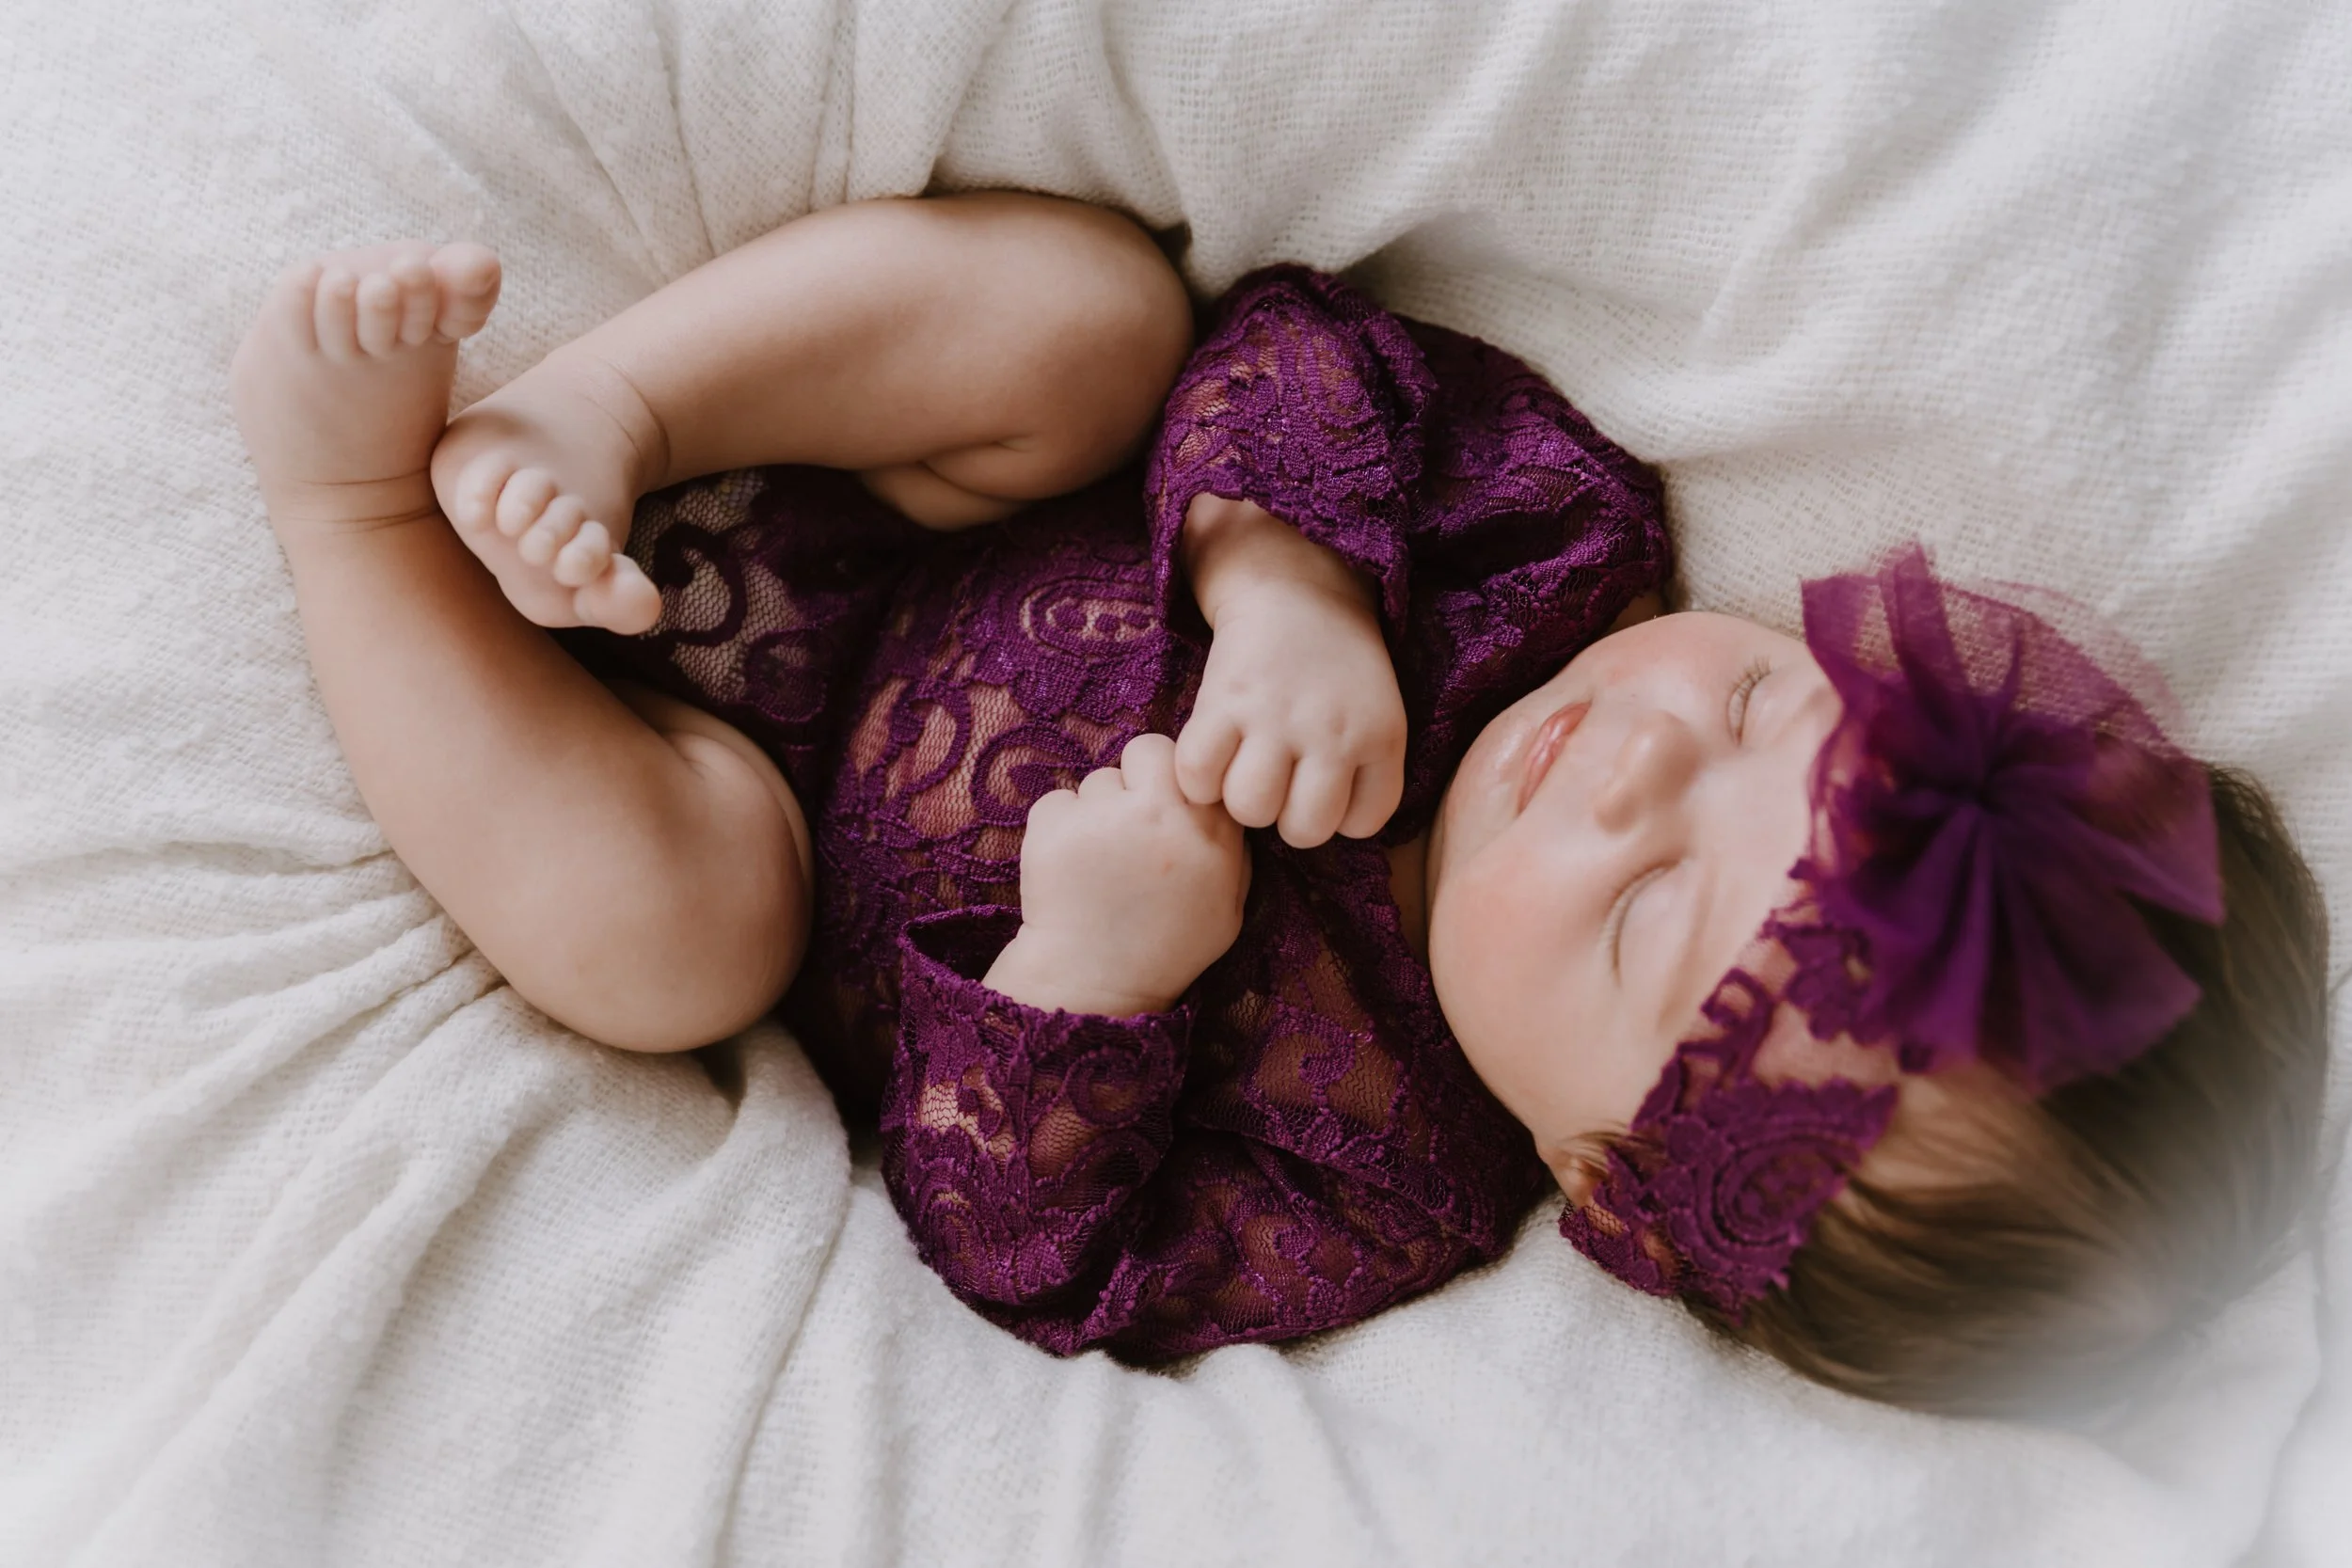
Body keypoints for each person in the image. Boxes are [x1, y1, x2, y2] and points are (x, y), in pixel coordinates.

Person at [229, 193, 2327, 1418]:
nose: (1642, 756)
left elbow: (1030, 1255)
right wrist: (1287, 581)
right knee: (1090, 318)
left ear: (1604, 1182)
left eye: (1635, 916)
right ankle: (615, 400)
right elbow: (1306, 354)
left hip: (750, 826)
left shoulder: (1378, 1190)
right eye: (1763, 698)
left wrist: (1088, 979)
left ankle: (354, 521)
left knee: (669, 937)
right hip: (902, 504)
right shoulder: (1554, 568)